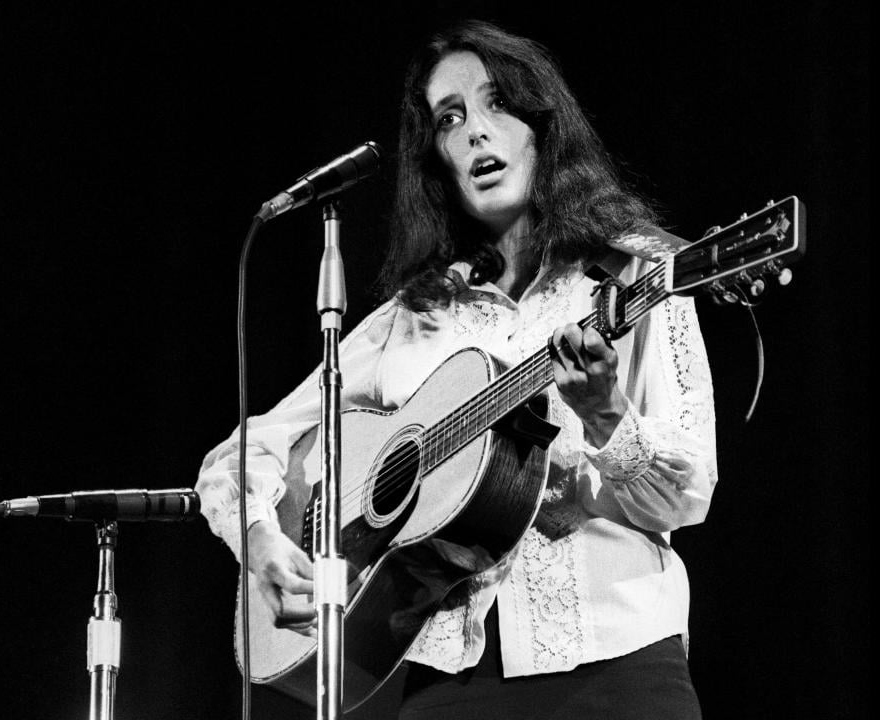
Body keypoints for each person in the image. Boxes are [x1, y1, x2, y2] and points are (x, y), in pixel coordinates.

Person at [196, 19, 717, 720]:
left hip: (617, 663)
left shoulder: (636, 275)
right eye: (450, 118)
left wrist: (605, 415)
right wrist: (261, 542)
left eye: (498, 102)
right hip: (448, 683)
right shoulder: (414, 315)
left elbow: (687, 497)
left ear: (543, 125)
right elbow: (237, 454)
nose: (476, 130)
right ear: (436, 158)